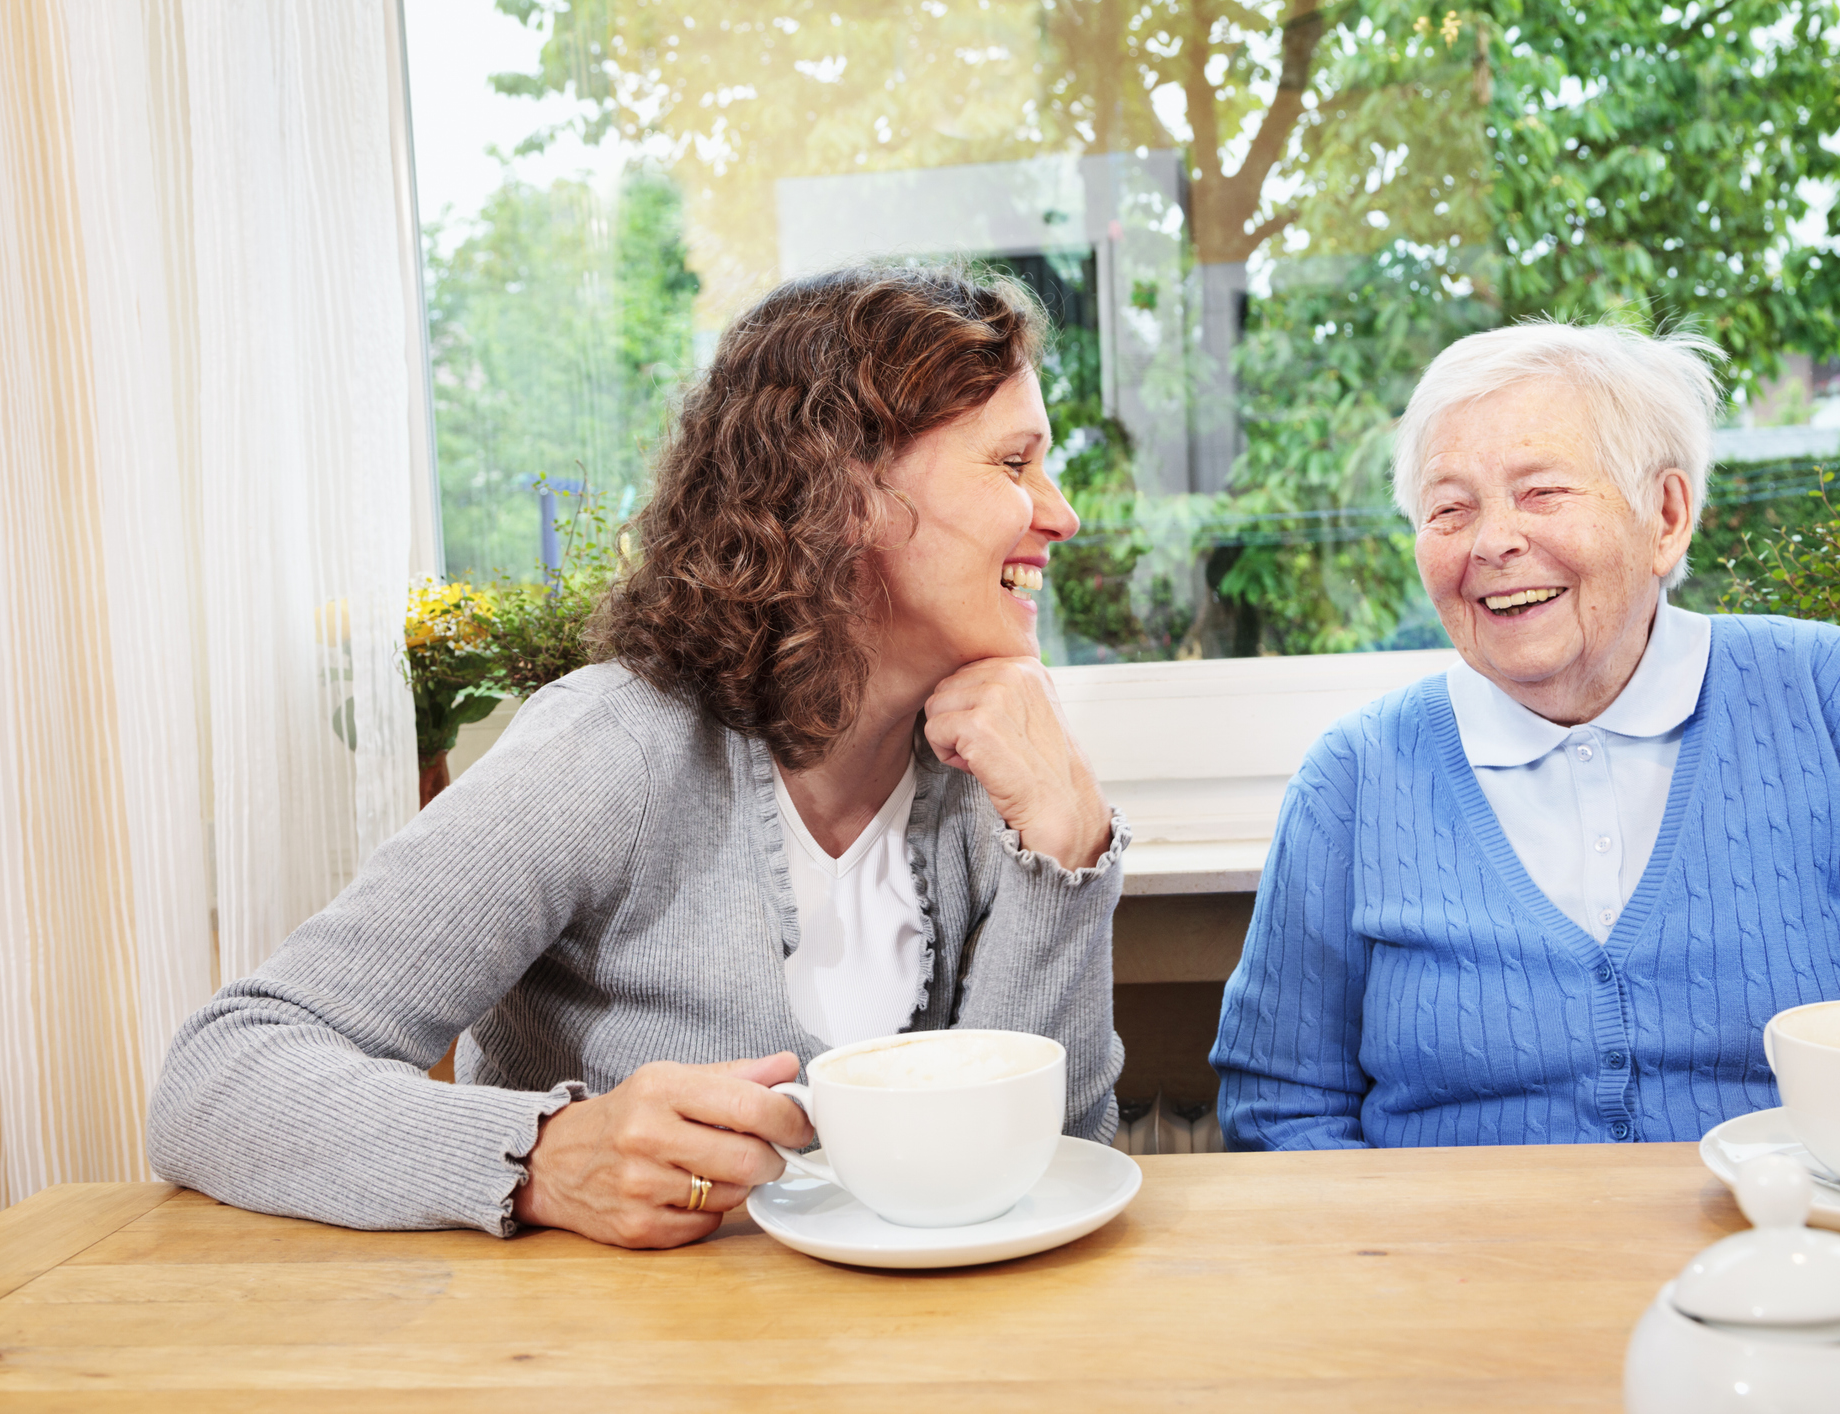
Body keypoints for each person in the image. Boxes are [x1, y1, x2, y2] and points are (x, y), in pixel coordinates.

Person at [150, 267, 1127, 1247]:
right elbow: (219, 1076)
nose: (1059, 512)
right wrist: (541, 1155)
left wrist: (1069, 847)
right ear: (846, 490)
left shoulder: (990, 768)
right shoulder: (614, 751)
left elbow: (1056, 1159)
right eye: (1013, 464)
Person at [1211, 320, 1840, 1151]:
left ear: (1665, 516)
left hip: (1786, 1250)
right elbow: (1281, 1107)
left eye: (1541, 493)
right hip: (1455, 1269)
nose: (1492, 542)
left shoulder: (1827, 694)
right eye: (1448, 509)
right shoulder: (1356, 773)